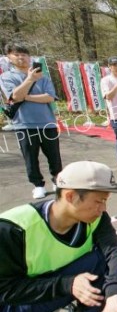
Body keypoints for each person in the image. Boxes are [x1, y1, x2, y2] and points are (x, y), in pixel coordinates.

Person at [0, 161, 117, 312]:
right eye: (99, 201)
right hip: (11, 307)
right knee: (96, 261)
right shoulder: (12, 229)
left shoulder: (96, 217)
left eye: (105, 201)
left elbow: (113, 250)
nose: (103, 208)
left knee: (102, 256)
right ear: (70, 196)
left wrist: (114, 294)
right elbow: (5, 291)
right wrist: (67, 284)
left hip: (44, 283)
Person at [0, 43, 63, 199]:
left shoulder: (43, 77)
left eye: (24, 54)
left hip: (47, 122)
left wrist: (26, 97)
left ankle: (57, 180)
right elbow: (14, 96)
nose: (21, 57)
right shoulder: (7, 77)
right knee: (30, 157)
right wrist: (29, 79)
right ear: (9, 57)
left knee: (54, 155)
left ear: (30, 57)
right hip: (24, 124)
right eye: (17, 54)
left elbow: (49, 97)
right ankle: (38, 185)